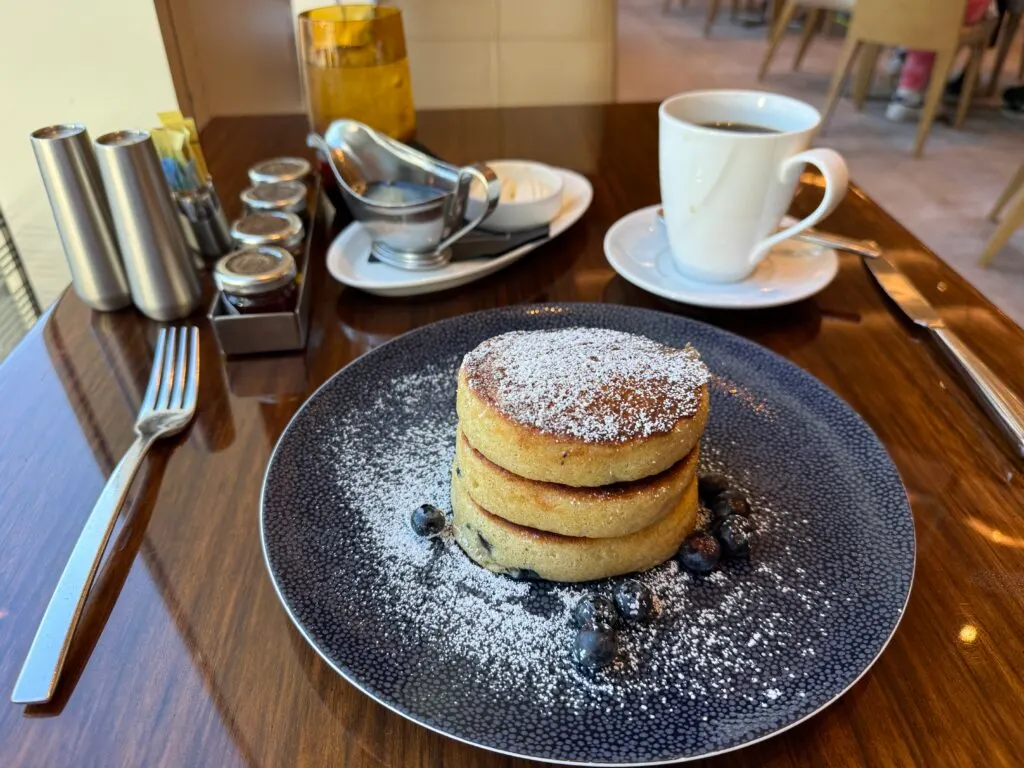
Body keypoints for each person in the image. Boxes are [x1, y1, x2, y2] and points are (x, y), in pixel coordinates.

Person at [885, 0, 994, 121]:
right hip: (949, 16)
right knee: (943, 17)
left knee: (929, 14)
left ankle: (908, 71)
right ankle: (912, 94)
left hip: (886, 10)